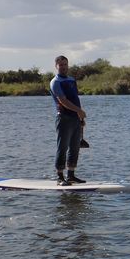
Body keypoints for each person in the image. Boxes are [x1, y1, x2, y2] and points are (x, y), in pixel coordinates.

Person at [49, 55, 87, 185]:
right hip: (63, 118)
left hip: (75, 118)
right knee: (62, 147)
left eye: (65, 64)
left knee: (75, 147)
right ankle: (60, 177)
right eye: (61, 65)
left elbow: (75, 98)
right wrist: (79, 111)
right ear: (56, 66)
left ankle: (71, 175)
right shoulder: (55, 82)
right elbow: (63, 101)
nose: (63, 67)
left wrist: (80, 116)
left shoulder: (71, 80)